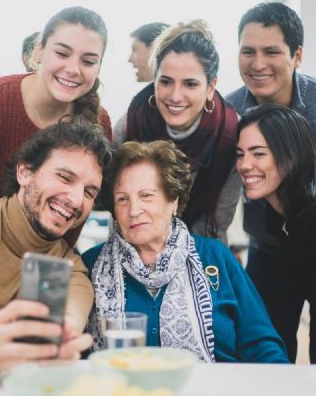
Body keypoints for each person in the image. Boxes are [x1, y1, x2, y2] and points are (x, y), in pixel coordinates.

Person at [82, 141, 288, 363]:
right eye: (122, 199)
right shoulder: (92, 264)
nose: (134, 210)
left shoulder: (216, 257)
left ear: (173, 200)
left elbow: (262, 344)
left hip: (215, 395)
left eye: (146, 196)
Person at [0, 119, 113, 373]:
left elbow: (56, 339)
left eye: (89, 192)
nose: (75, 199)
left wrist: (60, 342)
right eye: (64, 177)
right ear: (25, 172)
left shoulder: (72, 272)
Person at [227, 1, 316, 358]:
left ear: (296, 55)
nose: (258, 64)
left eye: (271, 52)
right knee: (265, 345)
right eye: (248, 51)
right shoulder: (228, 111)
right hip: (267, 244)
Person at [0, 6, 112, 202]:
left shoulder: (100, 123)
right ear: (39, 52)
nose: (73, 69)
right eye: (62, 54)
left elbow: (78, 211)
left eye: (88, 61)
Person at [113, 20, 241, 243]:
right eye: (166, 82)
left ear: (210, 87)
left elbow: (216, 224)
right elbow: (119, 213)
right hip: (132, 246)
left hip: (200, 247)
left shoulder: (230, 135)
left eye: (190, 84)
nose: (175, 96)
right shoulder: (130, 125)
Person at [236, 104, 316, 362]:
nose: (245, 165)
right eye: (240, 154)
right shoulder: (276, 213)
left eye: (258, 154)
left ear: (290, 154)